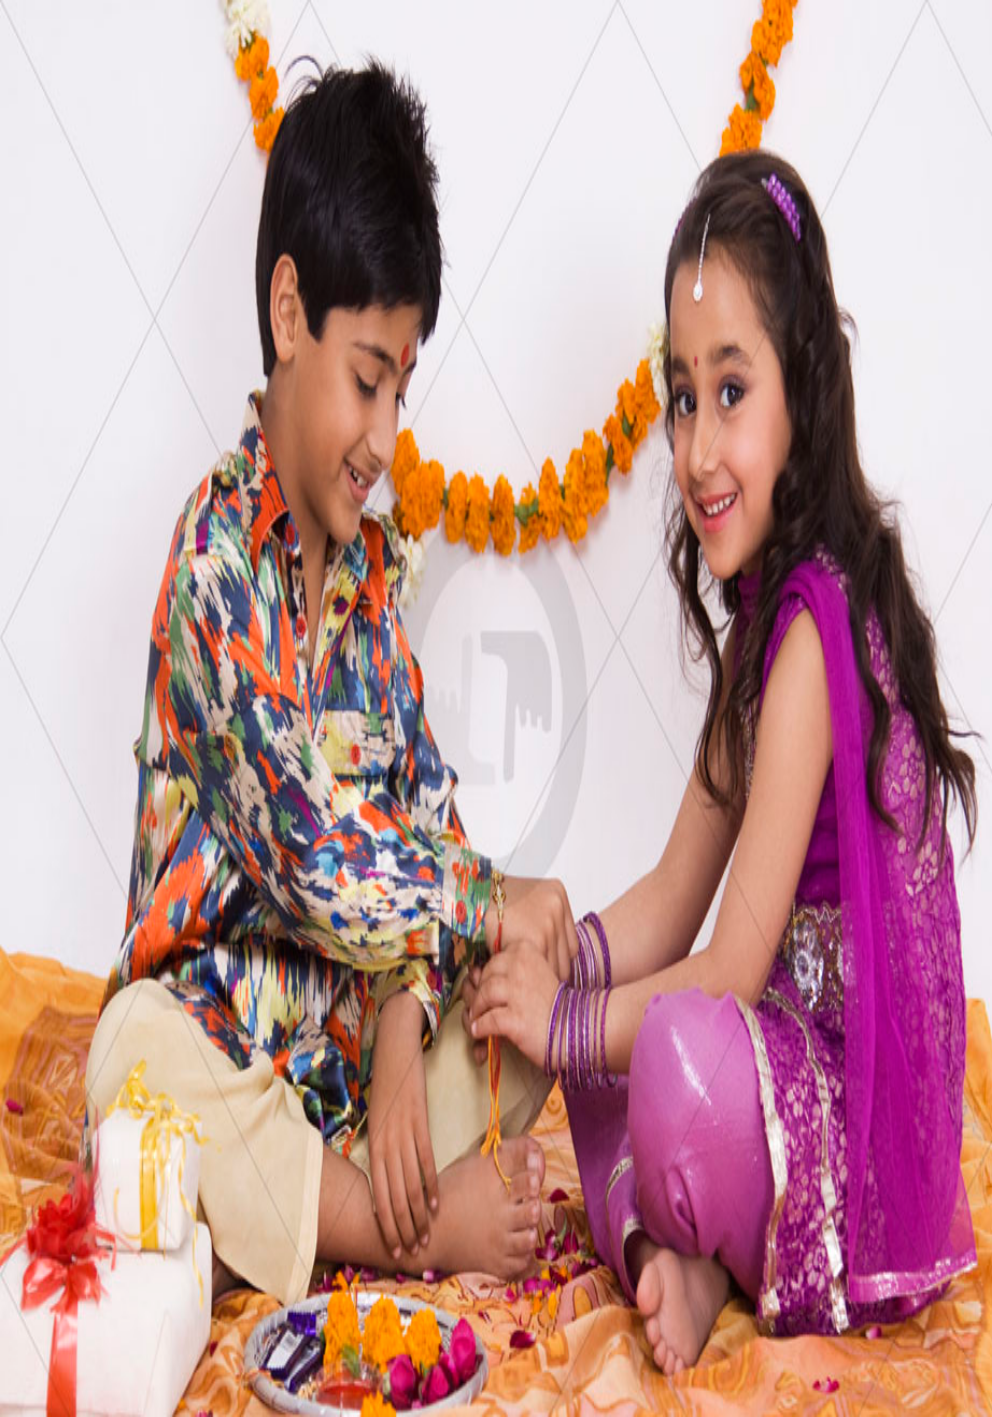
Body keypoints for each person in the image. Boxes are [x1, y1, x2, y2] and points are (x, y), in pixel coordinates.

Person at [466, 150, 978, 1373]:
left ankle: (698, 1235)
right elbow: (670, 892)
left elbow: (731, 969)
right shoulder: (760, 625)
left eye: (731, 391)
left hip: (839, 1134)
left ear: (803, 387)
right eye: (681, 397)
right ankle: (672, 1252)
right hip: (772, 1059)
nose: (697, 448)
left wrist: (569, 1022)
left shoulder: (812, 631)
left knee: (661, 1053)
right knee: (610, 1041)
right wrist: (559, 964)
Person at [84, 61, 578, 1304]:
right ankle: (397, 1226)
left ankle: (318, 1200)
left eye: (402, 387)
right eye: (367, 379)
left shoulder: (372, 576)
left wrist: (406, 1028)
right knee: (129, 1060)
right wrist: (491, 897)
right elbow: (314, 856)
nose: (383, 436)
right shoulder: (214, 560)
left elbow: (418, 819)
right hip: (218, 1053)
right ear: (288, 311)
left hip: (344, 1079)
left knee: (525, 1002)